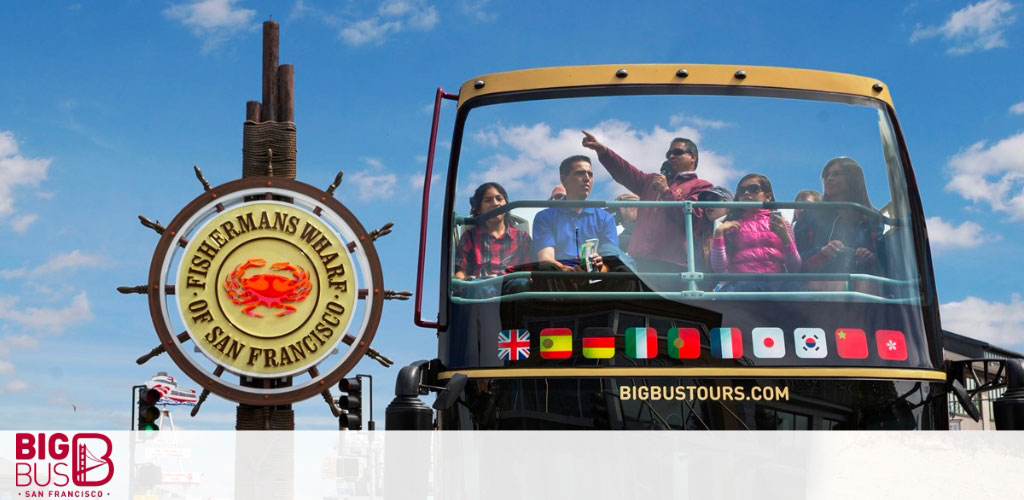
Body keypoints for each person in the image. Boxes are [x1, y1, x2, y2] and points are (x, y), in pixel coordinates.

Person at [581, 131, 712, 286]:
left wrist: (666, 192)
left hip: (671, 265)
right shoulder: (651, 181)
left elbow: (693, 220)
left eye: (677, 152)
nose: (671, 157)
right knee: (608, 251)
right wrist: (603, 151)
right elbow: (626, 173)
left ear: (693, 157)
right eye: (668, 154)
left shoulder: (701, 186)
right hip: (641, 260)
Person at [794, 157, 881, 293]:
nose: (829, 178)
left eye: (836, 174)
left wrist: (868, 258)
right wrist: (822, 253)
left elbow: (884, 264)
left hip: (860, 290)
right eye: (827, 175)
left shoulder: (872, 218)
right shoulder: (810, 216)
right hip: (818, 288)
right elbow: (796, 261)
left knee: (867, 285)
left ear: (853, 179)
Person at [710, 174, 801, 291]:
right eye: (741, 191)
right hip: (741, 284)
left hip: (776, 284)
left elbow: (794, 268)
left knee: (798, 291)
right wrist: (719, 234)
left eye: (753, 189)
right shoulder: (730, 225)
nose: (746, 193)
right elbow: (719, 268)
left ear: (768, 196)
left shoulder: (781, 224)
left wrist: (785, 237)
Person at [532, 155, 619, 271]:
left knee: (624, 271)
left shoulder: (605, 218)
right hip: (560, 277)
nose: (587, 178)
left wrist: (600, 268)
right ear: (563, 179)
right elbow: (546, 259)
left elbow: (610, 262)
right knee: (546, 269)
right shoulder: (544, 217)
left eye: (590, 174)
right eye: (580, 173)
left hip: (596, 276)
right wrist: (566, 271)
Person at [454, 182, 533, 282]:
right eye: (488, 200)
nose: (495, 204)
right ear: (478, 209)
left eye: (499, 199)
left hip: (513, 286)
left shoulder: (522, 237)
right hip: (480, 286)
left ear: (506, 205)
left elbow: (528, 272)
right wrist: (463, 282)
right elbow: (461, 272)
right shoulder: (470, 236)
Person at [696, 186, 733, 285]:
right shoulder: (701, 233)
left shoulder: (739, 227)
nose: (708, 205)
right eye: (705, 203)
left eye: (714, 200)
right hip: (709, 287)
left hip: (736, 285)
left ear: (728, 206)